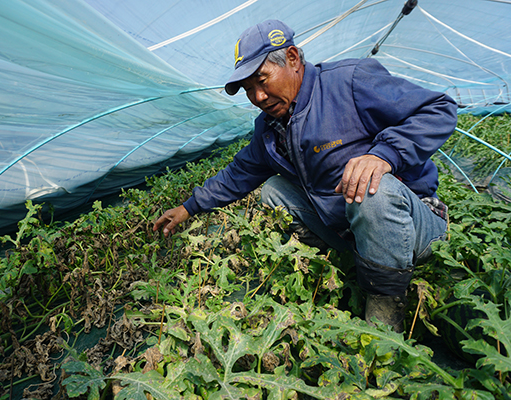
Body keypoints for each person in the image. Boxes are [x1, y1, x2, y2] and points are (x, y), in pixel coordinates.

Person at [153, 19, 457, 332]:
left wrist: (383, 156)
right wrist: (188, 207)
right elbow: (240, 172)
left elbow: (438, 109)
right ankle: (348, 265)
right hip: (351, 230)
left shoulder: (348, 81)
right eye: (249, 90)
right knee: (274, 190)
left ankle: (384, 315)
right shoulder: (271, 127)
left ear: (294, 59)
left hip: (415, 226)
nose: (258, 96)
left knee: (370, 188)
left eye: (262, 79)